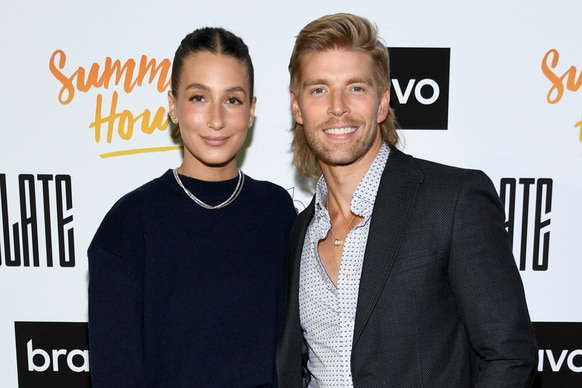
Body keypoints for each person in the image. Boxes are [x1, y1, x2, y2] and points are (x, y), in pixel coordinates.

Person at [276, 13, 537, 387]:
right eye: (319, 89)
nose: (337, 107)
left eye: (355, 88)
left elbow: (509, 354)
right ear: (297, 108)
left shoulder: (452, 200)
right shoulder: (298, 231)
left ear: (382, 103)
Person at [88, 27, 296, 387]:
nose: (216, 119)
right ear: (172, 105)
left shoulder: (277, 212)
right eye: (199, 98)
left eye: (232, 100)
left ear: (251, 110)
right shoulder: (129, 224)